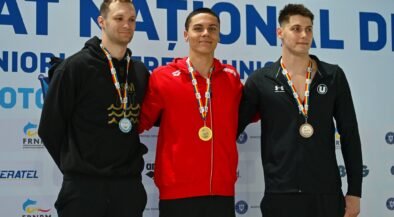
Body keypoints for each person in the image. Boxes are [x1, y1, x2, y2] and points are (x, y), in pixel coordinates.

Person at [238, 4, 363, 217]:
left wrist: (354, 192)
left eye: (309, 29)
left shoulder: (332, 76)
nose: (304, 35)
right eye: (296, 28)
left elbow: (350, 134)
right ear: (280, 33)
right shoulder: (261, 80)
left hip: (327, 194)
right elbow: (231, 128)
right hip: (280, 194)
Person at [38, 1, 149, 216]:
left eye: (132, 20)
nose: (127, 25)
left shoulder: (139, 71)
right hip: (83, 190)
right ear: (102, 21)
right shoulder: (74, 67)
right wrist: (78, 169)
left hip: (128, 190)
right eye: (119, 18)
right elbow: (49, 128)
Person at [138, 7, 243, 217]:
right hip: (176, 194)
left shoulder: (231, 78)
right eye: (198, 28)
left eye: (212, 29)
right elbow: (140, 122)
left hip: (221, 192)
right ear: (186, 35)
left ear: (219, 35)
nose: (206, 33)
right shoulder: (162, 77)